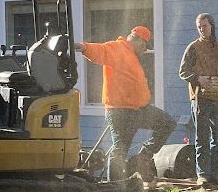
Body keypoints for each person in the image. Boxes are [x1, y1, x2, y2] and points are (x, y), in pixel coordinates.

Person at [75, 25, 175, 181]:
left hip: (139, 110)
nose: (144, 49)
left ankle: (143, 157)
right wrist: (83, 47)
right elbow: (101, 50)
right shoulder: (118, 47)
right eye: (143, 45)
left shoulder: (133, 56)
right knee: (119, 151)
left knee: (167, 123)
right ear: (136, 39)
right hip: (120, 111)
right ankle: (114, 189)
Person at [178, 13, 218, 186]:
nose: (202, 29)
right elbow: (183, 71)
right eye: (199, 27)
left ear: (212, 25)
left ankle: (213, 173)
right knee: (202, 137)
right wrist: (198, 79)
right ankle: (203, 175)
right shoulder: (193, 47)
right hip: (200, 98)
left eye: (204, 26)